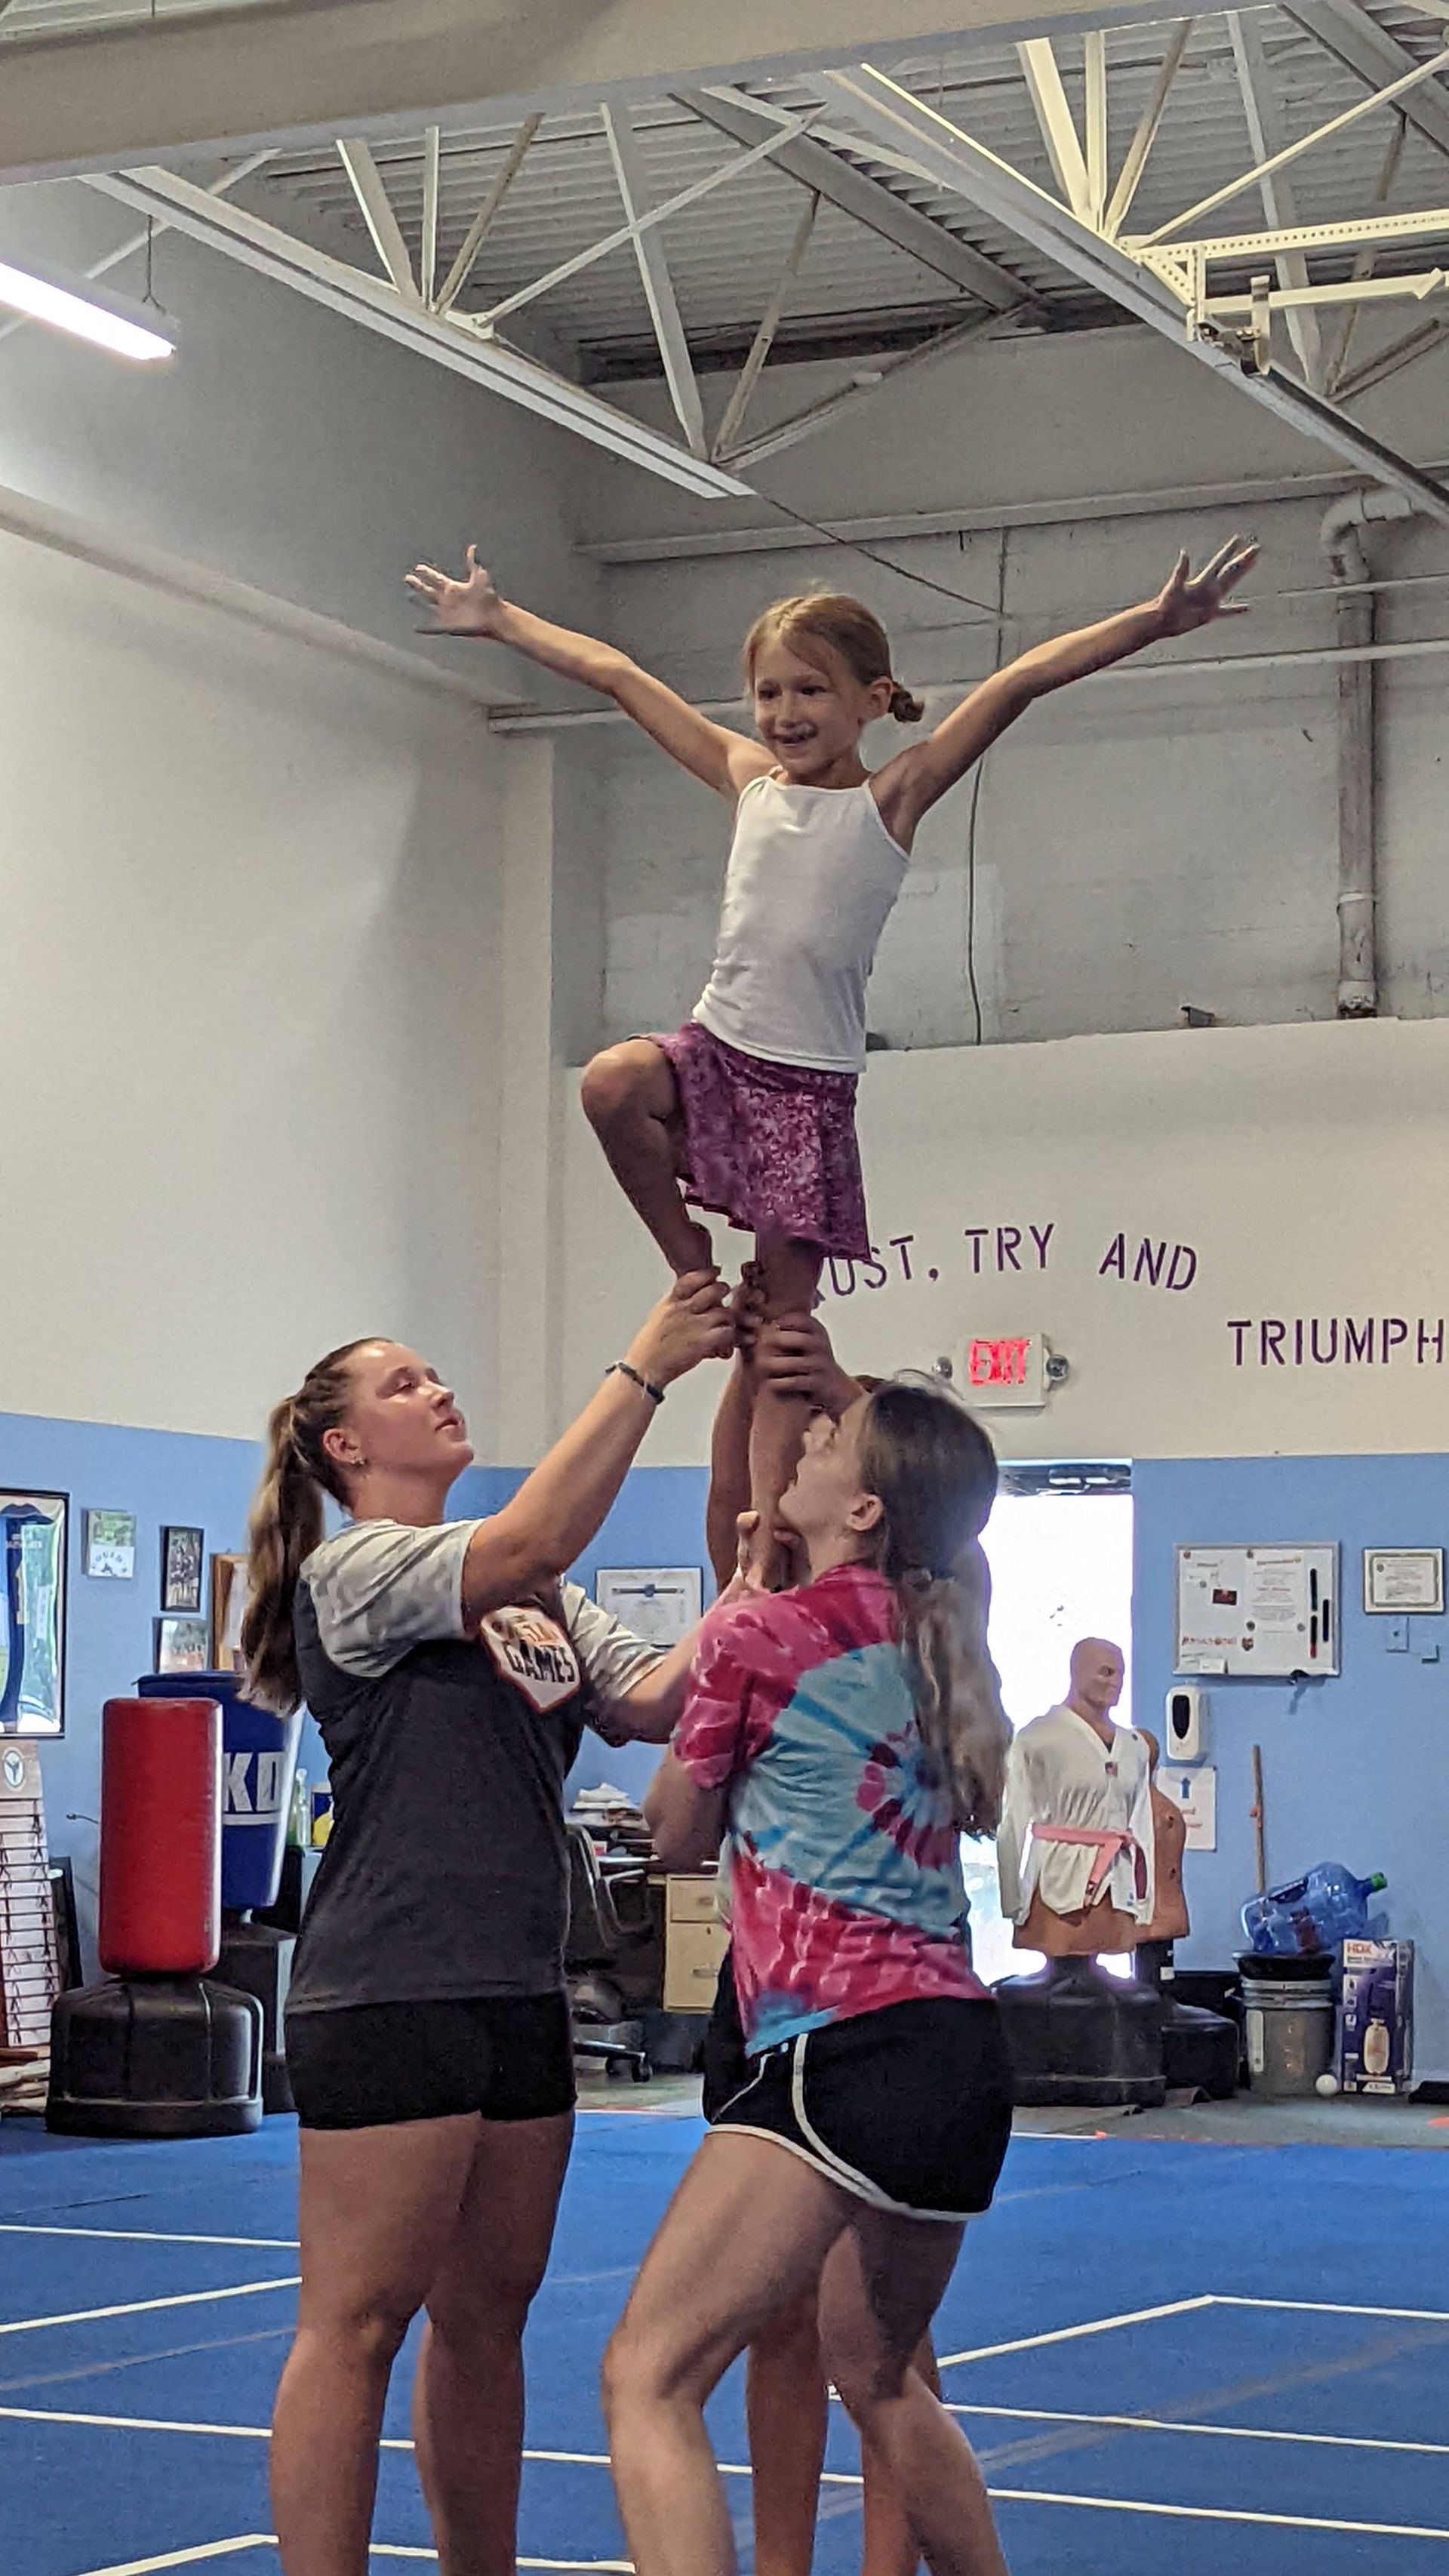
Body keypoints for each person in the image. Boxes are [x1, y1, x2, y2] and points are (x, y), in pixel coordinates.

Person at [406, 538, 1258, 1579]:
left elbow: (1020, 679)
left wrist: (1152, 621)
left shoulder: (889, 799)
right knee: (610, 1083)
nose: (785, 712)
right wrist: (502, 622)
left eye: (812, 689)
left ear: (872, 698)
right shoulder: (747, 775)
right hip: (718, 1047)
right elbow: (622, 676)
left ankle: (767, 1533)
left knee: (782, 1343)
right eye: (769, 691)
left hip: (807, 1089)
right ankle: (689, 1267)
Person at [240, 1274, 733, 2576]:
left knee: (487, 2319)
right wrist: (646, 1367)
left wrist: (768, 1557)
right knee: (354, 2322)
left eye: (434, 1372)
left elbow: (664, 1699)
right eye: (405, 1384)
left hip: (517, 1988)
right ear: (346, 1447)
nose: (439, 1390)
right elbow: (521, 1540)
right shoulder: (357, 1569)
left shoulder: (541, 1603)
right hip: (387, 1987)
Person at [602, 1369, 1017, 2576]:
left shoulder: (756, 1633)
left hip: (832, 2048)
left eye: (827, 1436)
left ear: (867, 1505)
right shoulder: (942, 1642)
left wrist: (731, 1614)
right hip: (960, 2054)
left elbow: (675, 1834)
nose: (808, 1443)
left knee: (648, 2373)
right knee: (879, 2376)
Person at [705, 1302, 937, 2576]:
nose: (806, 1442)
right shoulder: (763, 1604)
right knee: (777, 2316)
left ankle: (891, 2561)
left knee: (884, 2339)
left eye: (831, 1435)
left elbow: (927, 1488)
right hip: (769, 2000)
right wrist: (752, 1371)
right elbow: (752, 1487)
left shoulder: (927, 1604)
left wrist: (843, 1384)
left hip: (873, 2004)